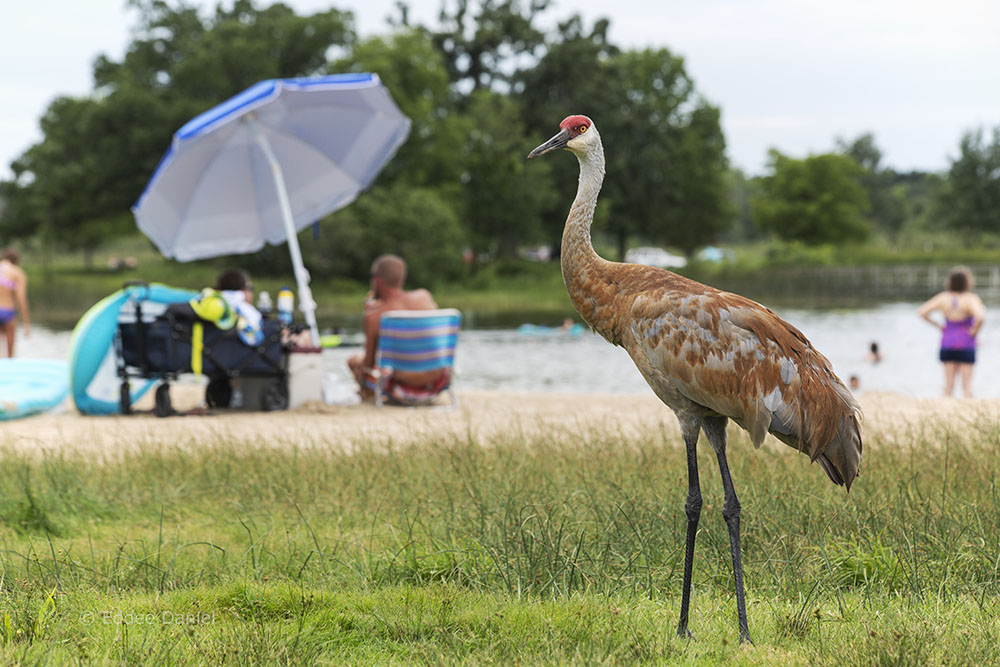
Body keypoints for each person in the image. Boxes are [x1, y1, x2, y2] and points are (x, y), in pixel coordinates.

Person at [348, 255, 440, 400]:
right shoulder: (424, 297)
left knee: (353, 361)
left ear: (378, 280)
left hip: (401, 385)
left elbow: (368, 364)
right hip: (436, 381)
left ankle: (368, 396)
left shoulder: (374, 316)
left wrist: (370, 314)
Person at [918, 265, 986, 398]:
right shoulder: (970, 298)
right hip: (966, 343)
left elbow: (922, 312)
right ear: (967, 282)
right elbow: (981, 317)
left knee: (948, 387)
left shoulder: (943, 298)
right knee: (967, 387)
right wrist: (974, 332)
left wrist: (938, 325)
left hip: (947, 342)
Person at [0, 247, 30, 357]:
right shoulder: (17, 272)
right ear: (16, 260)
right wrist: (26, 324)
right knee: (10, 352)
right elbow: (21, 299)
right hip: (8, 311)